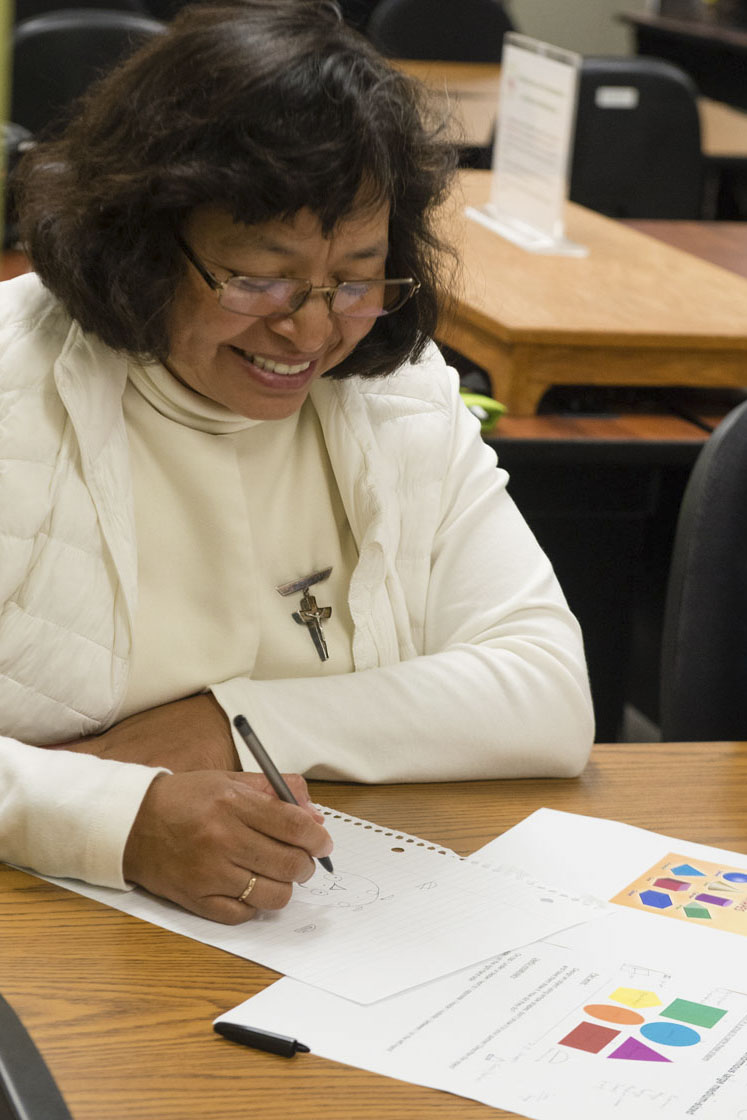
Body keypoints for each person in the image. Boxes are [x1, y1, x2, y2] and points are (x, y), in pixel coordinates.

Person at [0, 0, 594, 925]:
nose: (311, 329)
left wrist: (223, 725)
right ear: (145, 241)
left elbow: (546, 691)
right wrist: (117, 819)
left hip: (318, 927)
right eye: (257, 276)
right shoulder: (13, 384)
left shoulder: (394, 391)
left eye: (355, 277)